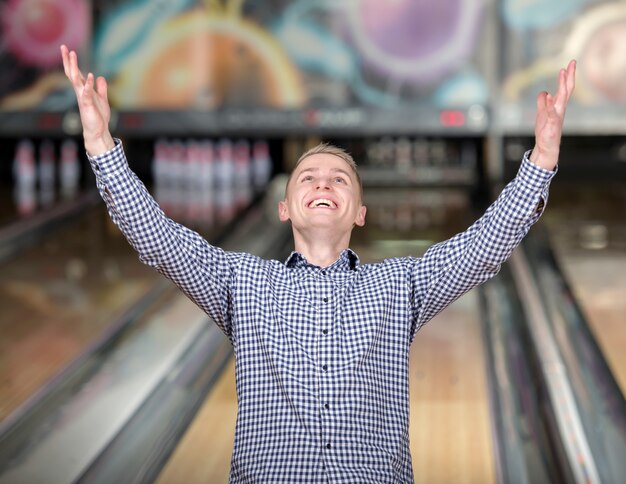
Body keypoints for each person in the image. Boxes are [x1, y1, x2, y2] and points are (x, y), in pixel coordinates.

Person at [60, 44, 576, 483]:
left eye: (339, 179)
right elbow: (158, 240)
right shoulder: (242, 282)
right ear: (284, 209)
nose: (324, 183)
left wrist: (543, 159)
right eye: (307, 177)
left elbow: (482, 248)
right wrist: (101, 144)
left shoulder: (400, 284)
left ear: (360, 212)